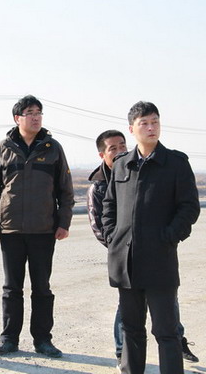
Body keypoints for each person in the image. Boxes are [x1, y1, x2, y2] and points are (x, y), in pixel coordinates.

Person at [101, 101, 200, 374]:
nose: (150, 127)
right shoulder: (122, 164)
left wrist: (169, 237)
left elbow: (189, 207)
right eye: (144, 123)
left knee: (166, 331)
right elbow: (109, 205)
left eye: (155, 122)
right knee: (131, 329)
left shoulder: (175, 163)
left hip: (159, 260)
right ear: (131, 129)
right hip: (126, 261)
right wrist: (113, 237)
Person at [0, 95, 75, 358]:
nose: (36, 117)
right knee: (12, 288)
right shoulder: (2, 149)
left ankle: (43, 340)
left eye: (39, 113)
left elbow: (65, 191)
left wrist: (64, 223)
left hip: (44, 230)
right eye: (30, 113)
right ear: (17, 118)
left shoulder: (53, 148)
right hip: (10, 230)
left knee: (42, 287)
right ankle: (9, 339)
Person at [86, 130, 127, 370]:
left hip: (151, 250)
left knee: (166, 299)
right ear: (103, 154)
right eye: (113, 148)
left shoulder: (137, 173)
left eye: (123, 146)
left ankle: (177, 339)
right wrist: (121, 249)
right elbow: (99, 228)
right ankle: (122, 352)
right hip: (123, 255)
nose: (120, 152)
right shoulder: (98, 187)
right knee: (127, 304)